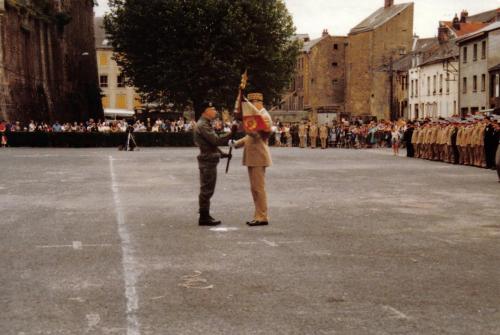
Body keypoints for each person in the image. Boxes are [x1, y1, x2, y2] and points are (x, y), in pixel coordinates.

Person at [229, 92, 272, 226]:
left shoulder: (264, 117)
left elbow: (257, 136)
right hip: (253, 156)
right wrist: (236, 143)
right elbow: (249, 137)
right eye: (250, 103)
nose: (251, 106)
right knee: (254, 188)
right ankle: (258, 214)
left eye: (253, 103)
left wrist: (245, 126)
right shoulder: (257, 117)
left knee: (259, 188)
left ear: (260, 102)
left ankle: (262, 216)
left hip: (259, 156)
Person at [193, 101, 234, 226]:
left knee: (207, 189)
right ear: (206, 111)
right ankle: (203, 217)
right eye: (213, 109)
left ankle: (205, 215)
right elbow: (215, 140)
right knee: (206, 190)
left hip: (208, 158)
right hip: (207, 160)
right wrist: (231, 133)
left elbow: (210, 145)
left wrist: (223, 154)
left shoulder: (204, 124)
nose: (215, 111)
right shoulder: (203, 125)